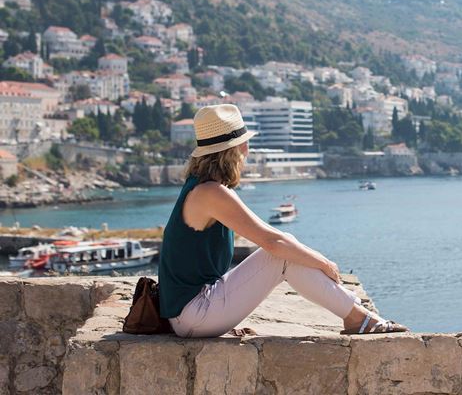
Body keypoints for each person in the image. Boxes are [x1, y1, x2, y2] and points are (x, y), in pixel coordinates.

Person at [159, 104, 408, 338]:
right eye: (244, 143)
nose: (247, 150)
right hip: (193, 315)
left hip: (191, 311)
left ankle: (358, 316)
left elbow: (274, 237)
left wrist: (309, 256)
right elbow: (273, 241)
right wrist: (324, 263)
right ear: (233, 150)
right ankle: (358, 318)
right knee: (281, 254)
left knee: (286, 249)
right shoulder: (210, 193)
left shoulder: (201, 187)